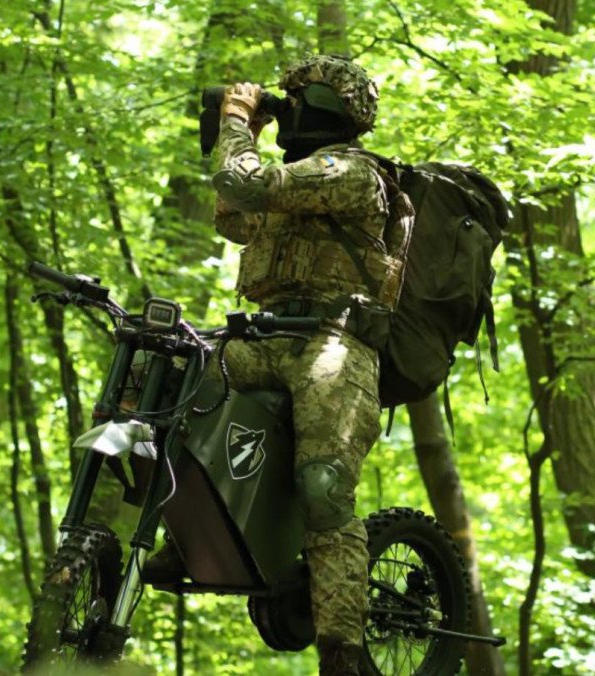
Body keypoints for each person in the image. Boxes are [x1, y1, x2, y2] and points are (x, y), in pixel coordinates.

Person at [210, 55, 407, 674]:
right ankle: (180, 533)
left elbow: (241, 183)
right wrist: (253, 134)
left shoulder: (348, 171)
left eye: (298, 97)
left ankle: (343, 649)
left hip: (334, 343)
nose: (287, 105)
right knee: (172, 388)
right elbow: (234, 216)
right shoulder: (297, 177)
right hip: (266, 334)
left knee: (323, 489)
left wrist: (239, 119)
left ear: (330, 107)